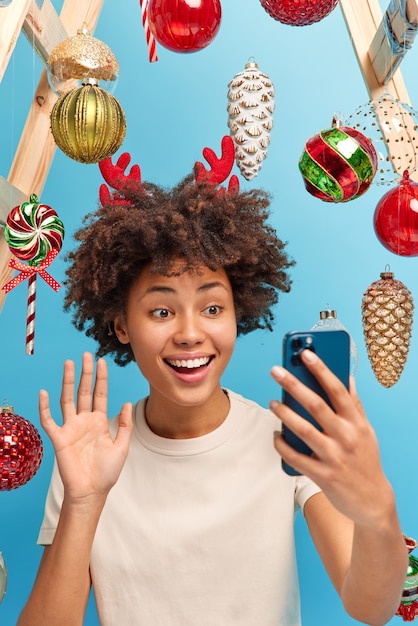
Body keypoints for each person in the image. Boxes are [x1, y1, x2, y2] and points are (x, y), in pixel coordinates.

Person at [18, 145, 407, 626]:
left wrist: (378, 508)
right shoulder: (90, 458)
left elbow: (372, 607)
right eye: (161, 311)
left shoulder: (289, 442)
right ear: (121, 325)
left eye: (212, 307)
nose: (188, 332)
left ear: (237, 313)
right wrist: (82, 501)